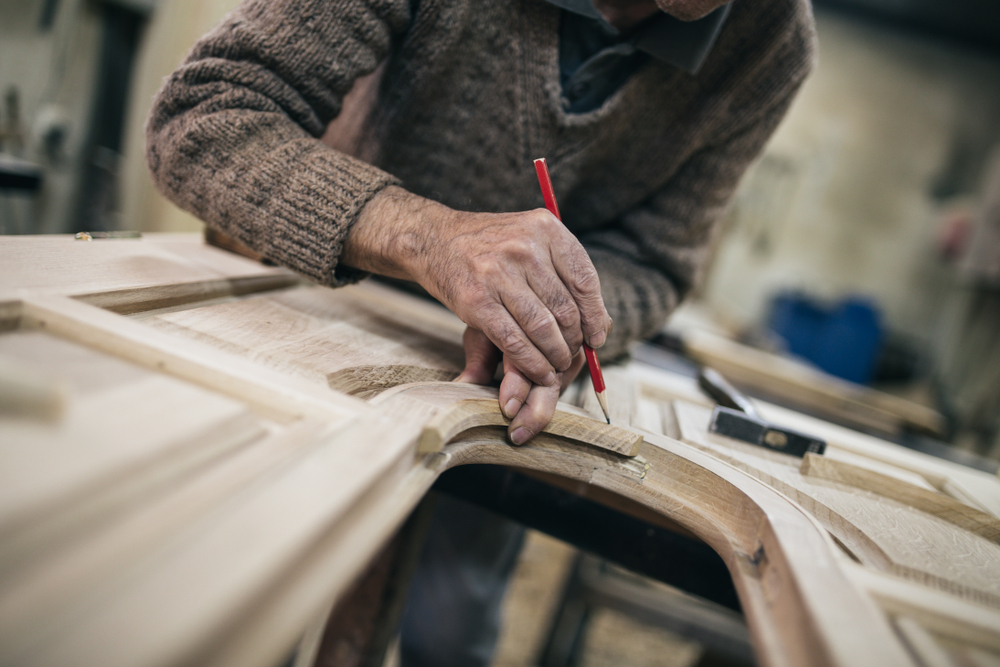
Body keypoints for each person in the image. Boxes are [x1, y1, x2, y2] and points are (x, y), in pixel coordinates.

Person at [146, 1, 815, 664]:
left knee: (451, 629)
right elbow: (202, 114)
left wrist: (553, 314)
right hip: (320, 301)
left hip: (500, 377)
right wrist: (427, 236)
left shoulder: (770, 40)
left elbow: (655, 262)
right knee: (242, 602)